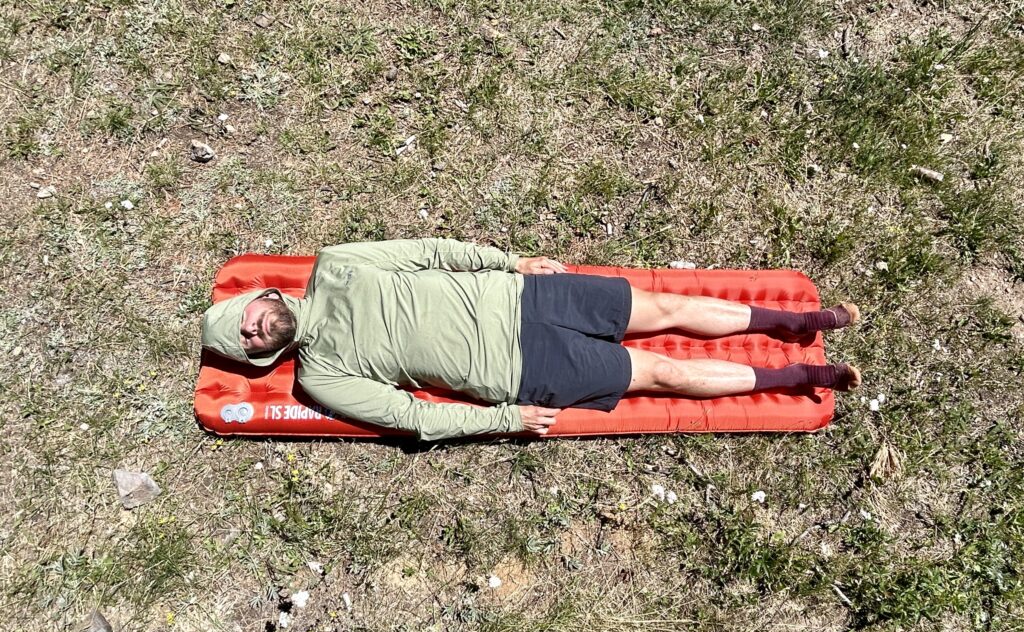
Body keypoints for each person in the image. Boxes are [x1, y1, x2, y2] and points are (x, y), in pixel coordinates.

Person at [201, 239, 860, 441]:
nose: (257, 328)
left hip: (521, 296)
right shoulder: (318, 375)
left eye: (249, 315)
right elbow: (409, 416)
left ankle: (799, 324)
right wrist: (505, 418)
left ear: (261, 295)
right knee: (662, 373)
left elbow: (429, 252)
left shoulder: (338, 265)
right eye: (249, 341)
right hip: (520, 366)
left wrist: (506, 263)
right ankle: (801, 380)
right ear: (262, 352)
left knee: (662, 306)